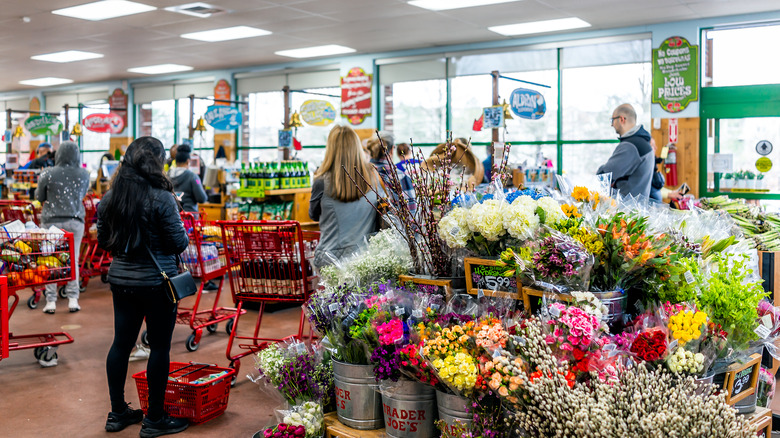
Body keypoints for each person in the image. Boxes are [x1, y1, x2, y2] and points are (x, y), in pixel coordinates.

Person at [97, 136, 190, 437]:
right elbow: (178, 243)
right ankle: (155, 419)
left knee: (120, 345)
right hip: (157, 284)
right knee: (159, 347)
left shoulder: (110, 198)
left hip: (121, 281)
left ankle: (117, 413)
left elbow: (103, 241)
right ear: (158, 162)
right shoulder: (162, 197)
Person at [309, 125, 381, 270]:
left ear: (330, 149)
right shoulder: (373, 175)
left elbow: (313, 215)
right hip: (367, 258)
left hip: (331, 260)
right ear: (357, 147)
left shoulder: (321, 181)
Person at [35, 141, 90, 319]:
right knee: (73, 259)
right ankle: (73, 298)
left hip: (51, 222)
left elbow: (39, 196)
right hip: (75, 221)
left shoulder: (47, 173)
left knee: (50, 260)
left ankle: (51, 301)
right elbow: (81, 195)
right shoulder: (84, 174)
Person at [597, 104, 655, 198]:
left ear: (621, 119)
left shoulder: (630, 146)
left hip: (625, 208)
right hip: (637, 206)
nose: (612, 125)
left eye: (613, 120)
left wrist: (600, 171)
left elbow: (605, 175)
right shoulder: (642, 142)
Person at [365, 131, 417, 216]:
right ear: (392, 149)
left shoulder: (358, 173)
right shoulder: (400, 176)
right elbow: (411, 212)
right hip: (390, 227)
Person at [168, 144, 207, 213]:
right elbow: (201, 198)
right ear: (188, 161)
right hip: (189, 217)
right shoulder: (193, 177)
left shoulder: (167, 175)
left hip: (172, 215)